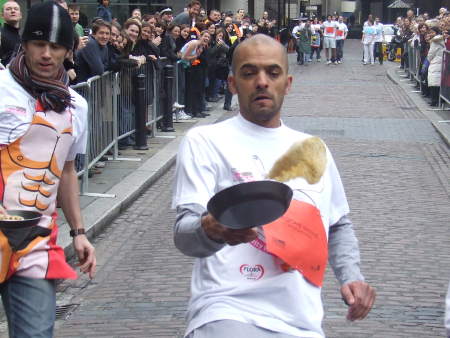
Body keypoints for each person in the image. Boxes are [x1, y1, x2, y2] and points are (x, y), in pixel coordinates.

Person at [172, 34, 375, 338]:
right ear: (232, 84)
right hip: (226, 313)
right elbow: (184, 234)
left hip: (302, 323)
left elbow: (337, 224)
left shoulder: (312, 149)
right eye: (249, 72)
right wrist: (213, 228)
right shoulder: (205, 141)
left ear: (288, 84)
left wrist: (352, 276)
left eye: (273, 72)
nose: (262, 81)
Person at [0, 2, 96, 337]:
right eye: (39, 44)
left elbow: (66, 170)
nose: (46, 54)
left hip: (34, 242)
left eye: (56, 47)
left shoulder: (76, 106)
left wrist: (79, 232)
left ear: (67, 52)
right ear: (24, 44)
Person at [426, 26, 445, 107]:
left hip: (435, 62)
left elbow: (431, 53)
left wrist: (428, 60)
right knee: (438, 82)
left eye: (432, 32)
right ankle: (439, 100)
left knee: (434, 82)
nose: (430, 34)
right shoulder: (441, 40)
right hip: (441, 61)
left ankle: (434, 100)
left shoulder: (434, 41)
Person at [0, 0, 22, 66]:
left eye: (16, 9)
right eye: (8, 9)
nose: (13, 11)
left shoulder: (25, 37)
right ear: (2, 15)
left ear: (20, 15)